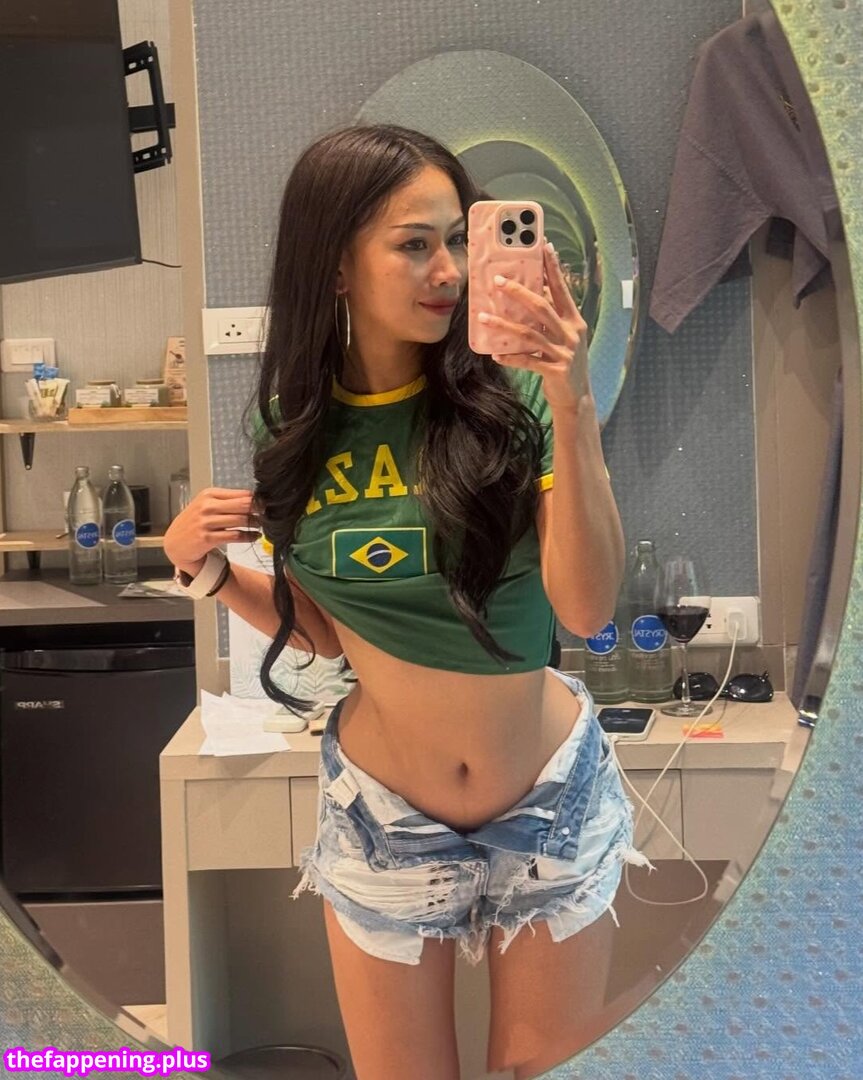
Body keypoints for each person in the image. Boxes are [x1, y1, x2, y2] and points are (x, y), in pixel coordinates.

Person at [164, 123, 649, 1080]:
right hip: (383, 815)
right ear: (336, 265)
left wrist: (573, 402)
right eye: (414, 244)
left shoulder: (514, 400)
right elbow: (330, 632)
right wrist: (206, 571)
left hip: (548, 799)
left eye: (457, 239)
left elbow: (585, 610)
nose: (450, 270)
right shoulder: (292, 427)